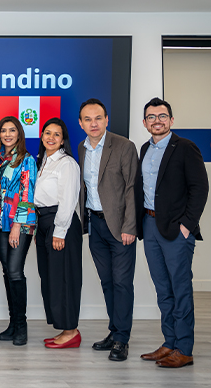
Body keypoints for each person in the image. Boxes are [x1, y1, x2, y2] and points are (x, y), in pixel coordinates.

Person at [136, 98, 208, 368]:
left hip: (176, 229)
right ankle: (169, 343)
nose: (157, 121)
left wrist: (187, 225)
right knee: (163, 288)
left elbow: (200, 189)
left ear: (171, 120)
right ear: (145, 123)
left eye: (162, 116)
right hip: (150, 225)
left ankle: (185, 349)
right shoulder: (145, 149)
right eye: (151, 117)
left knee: (180, 289)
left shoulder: (186, 148)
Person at [76, 98, 138, 361]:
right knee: (108, 282)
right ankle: (114, 332)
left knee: (123, 283)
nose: (93, 123)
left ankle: (122, 340)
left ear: (106, 119)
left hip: (121, 227)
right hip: (95, 225)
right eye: (88, 119)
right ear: (80, 123)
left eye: (98, 118)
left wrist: (130, 226)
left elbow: (132, 188)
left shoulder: (123, 146)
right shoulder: (80, 149)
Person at [35, 118, 83, 349]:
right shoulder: (42, 162)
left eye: (56, 134)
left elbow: (68, 200)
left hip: (60, 223)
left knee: (65, 278)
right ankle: (64, 328)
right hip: (44, 221)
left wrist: (60, 231)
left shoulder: (67, 163)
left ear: (62, 139)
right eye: (47, 133)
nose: (51, 138)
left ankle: (71, 331)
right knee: (51, 277)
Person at [0, 116, 37, 347]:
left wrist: (17, 226)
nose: (7, 134)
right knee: (7, 272)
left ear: (19, 134)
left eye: (12, 130)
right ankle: (12, 323)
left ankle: (22, 325)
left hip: (20, 223)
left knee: (15, 271)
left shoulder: (26, 160)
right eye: (3, 131)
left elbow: (27, 193)